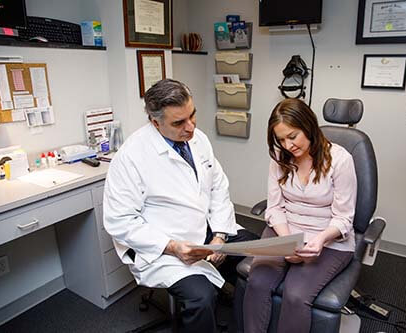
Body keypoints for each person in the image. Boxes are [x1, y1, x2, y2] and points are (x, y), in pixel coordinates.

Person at [103, 79, 257, 333]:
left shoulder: (198, 140)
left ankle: (246, 325)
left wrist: (219, 235)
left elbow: (218, 187)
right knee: (201, 297)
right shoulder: (131, 157)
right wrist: (173, 247)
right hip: (164, 244)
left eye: (192, 115)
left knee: (257, 256)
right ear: (155, 123)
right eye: (179, 123)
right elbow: (120, 221)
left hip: (205, 229)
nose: (191, 127)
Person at [243, 98, 357, 333]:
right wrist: (287, 243)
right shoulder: (279, 158)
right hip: (285, 231)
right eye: (281, 139)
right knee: (257, 283)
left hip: (327, 239)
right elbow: (274, 208)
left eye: (292, 136)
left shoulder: (340, 159)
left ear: (308, 126)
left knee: (296, 295)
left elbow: (344, 218)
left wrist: (321, 240)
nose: (287, 145)